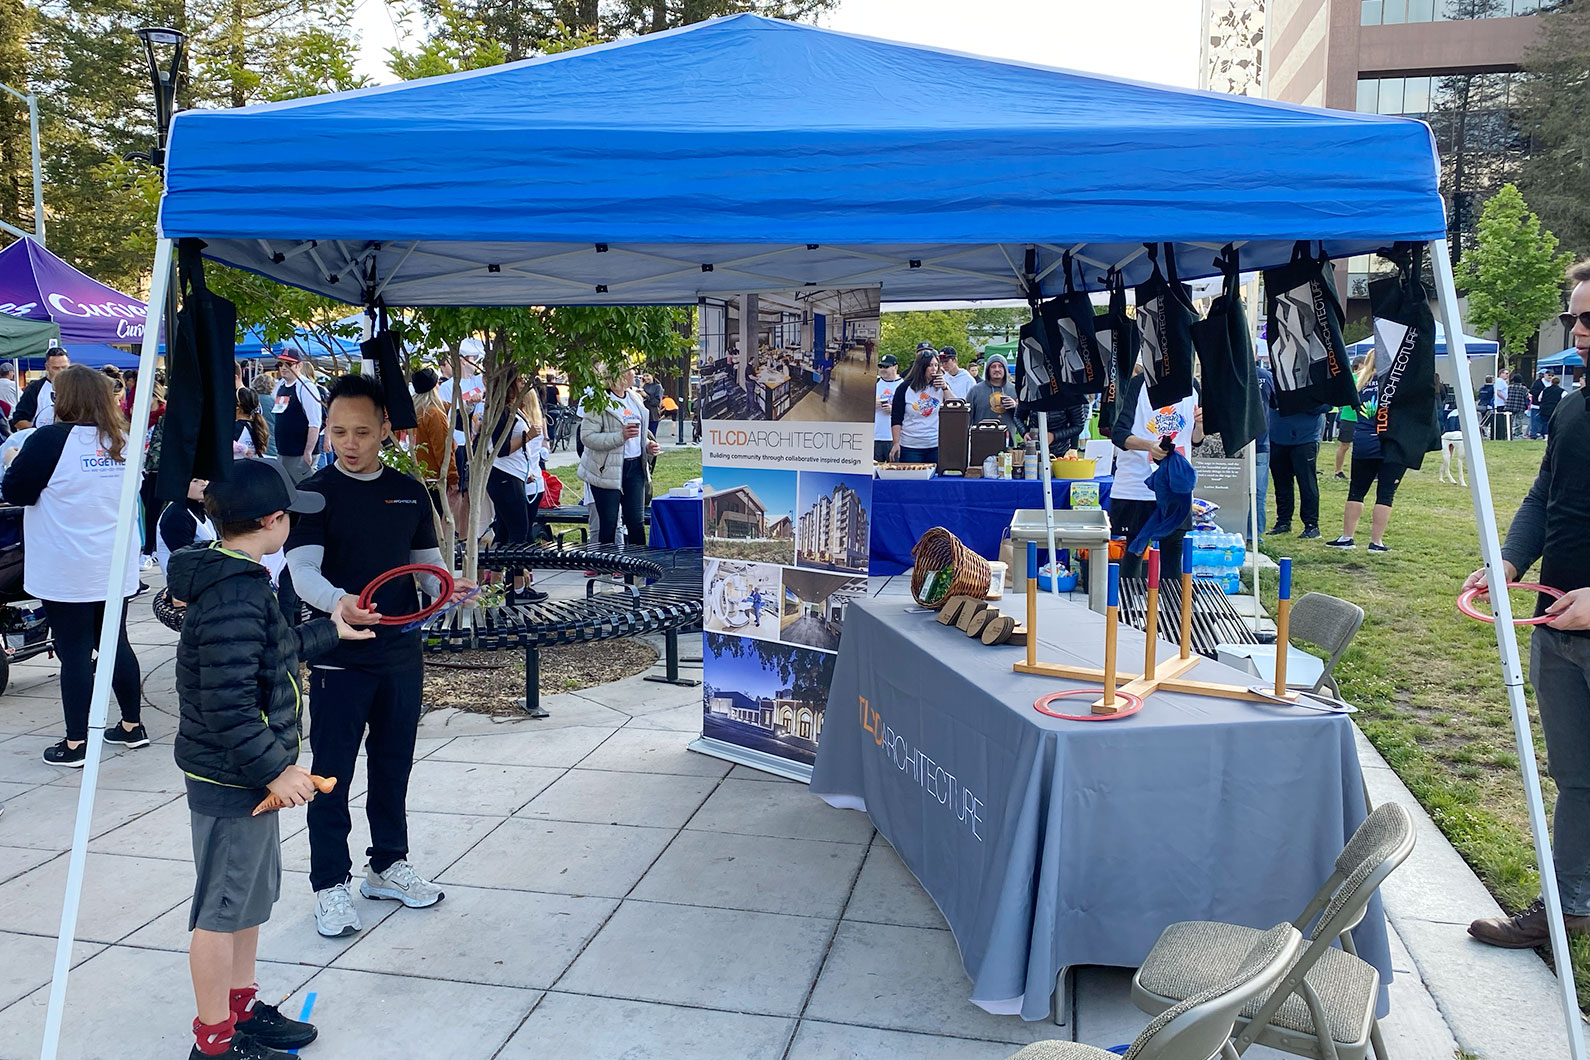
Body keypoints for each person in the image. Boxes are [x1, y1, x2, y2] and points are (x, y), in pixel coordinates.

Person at [169, 459, 371, 1060]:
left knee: (249, 899)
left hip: (245, 773)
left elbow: (272, 651)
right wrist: (274, 770)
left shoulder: (245, 577)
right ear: (272, 521)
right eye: (291, 516)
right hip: (234, 777)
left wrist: (335, 628)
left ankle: (240, 1008)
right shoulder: (235, 591)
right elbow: (227, 702)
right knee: (221, 907)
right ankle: (214, 1043)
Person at [284, 373, 474, 938]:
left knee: (393, 765)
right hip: (339, 657)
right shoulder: (314, 494)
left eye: (362, 431)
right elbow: (302, 574)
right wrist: (340, 604)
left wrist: (446, 590)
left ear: (385, 429)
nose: (349, 442)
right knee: (330, 776)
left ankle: (388, 864)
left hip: (400, 653)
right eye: (338, 430)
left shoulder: (409, 491)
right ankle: (330, 884)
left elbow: (426, 567)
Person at [1467, 258, 1590, 949]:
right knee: (1578, 778)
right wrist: (1510, 560)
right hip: (1557, 626)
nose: (1579, 331)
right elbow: (1544, 496)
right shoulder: (1571, 406)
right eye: (1575, 316)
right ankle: (1569, 903)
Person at [2, 365, 145, 766]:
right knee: (115, 643)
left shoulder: (49, 440)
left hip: (68, 565)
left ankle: (76, 743)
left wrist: (14, 458)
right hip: (113, 563)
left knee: (75, 650)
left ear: (62, 400)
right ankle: (133, 726)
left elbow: (16, 490)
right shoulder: (124, 438)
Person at [1109, 365, 1203, 578]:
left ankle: (1172, 608)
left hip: (1176, 487)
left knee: (1173, 553)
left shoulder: (1192, 386)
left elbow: (1195, 440)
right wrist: (1150, 446)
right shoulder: (1138, 384)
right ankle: (1127, 608)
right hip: (1138, 485)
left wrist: (1200, 426)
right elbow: (1119, 434)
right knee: (1135, 549)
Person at [1326, 351, 1406, 553]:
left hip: (1363, 440)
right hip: (1390, 442)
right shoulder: (1396, 382)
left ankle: (1347, 537)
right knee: (1385, 494)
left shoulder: (1360, 383)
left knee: (1356, 491)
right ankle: (1376, 542)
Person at [578, 363, 660, 547]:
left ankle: (637, 572)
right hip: (606, 469)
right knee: (608, 523)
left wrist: (647, 445)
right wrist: (619, 436)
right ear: (619, 374)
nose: (635, 374)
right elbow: (587, 437)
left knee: (636, 523)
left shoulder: (634, 398)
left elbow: (638, 433)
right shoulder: (598, 401)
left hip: (634, 467)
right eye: (631, 370)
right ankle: (608, 570)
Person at [486, 373, 547, 603]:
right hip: (505, 477)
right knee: (519, 533)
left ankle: (497, 585)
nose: (525, 385)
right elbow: (501, 448)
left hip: (514, 475)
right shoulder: (504, 411)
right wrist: (527, 436)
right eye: (520, 382)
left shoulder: (512, 408)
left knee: (503, 531)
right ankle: (516, 588)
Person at [1267, 384, 1327, 539]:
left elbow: (1327, 405)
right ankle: (1283, 521)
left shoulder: (1314, 378)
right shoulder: (1275, 377)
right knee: (1281, 483)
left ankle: (1311, 525)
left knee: (1306, 482)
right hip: (1277, 436)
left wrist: (1300, 401)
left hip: (1305, 438)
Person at [409, 368, 458, 517]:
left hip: (413, 474)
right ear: (435, 386)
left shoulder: (412, 412)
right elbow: (442, 449)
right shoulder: (433, 414)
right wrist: (452, 477)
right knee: (433, 522)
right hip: (433, 478)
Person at [889, 349, 951, 464]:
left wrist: (945, 387)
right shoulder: (904, 388)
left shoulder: (940, 386)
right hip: (910, 445)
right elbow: (896, 417)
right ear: (921, 367)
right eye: (930, 365)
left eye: (936, 365)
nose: (934, 369)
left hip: (935, 444)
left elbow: (954, 406)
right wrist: (896, 443)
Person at [270, 353, 323, 485]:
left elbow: (315, 423)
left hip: (300, 453)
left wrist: (308, 451)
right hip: (283, 451)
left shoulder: (305, 387)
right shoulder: (280, 386)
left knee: (305, 489)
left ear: (299, 366)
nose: (283, 368)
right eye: (280, 364)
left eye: (288, 364)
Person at [156, 478, 216, 577]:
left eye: (205, 479)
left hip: (205, 572)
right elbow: (185, 556)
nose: (203, 484)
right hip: (186, 580)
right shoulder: (176, 515)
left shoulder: (201, 509)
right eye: (195, 481)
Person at [968, 353, 1021, 445]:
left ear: (1005, 369)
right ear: (988, 370)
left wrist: (1015, 406)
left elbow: (1024, 418)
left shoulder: (1015, 390)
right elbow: (966, 419)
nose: (997, 369)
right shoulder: (975, 391)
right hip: (981, 443)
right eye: (993, 366)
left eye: (1000, 366)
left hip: (1008, 442)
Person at [12, 344, 69, 429]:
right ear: (47, 367)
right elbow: (18, 420)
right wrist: (37, 430)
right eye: (56, 368)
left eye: (64, 367)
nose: (61, 372)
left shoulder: (77, 388)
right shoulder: (35, 388)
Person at [1253, 362, 1274, 545]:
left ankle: (1238, 529)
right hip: (1261, 440)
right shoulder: (1265, 376)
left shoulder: (1230, 374)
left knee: (1237, 490)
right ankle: (1256, 534)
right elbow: (1276, 402)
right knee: (1259, 493)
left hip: (1236, 443)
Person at [872, 355, 902, 463]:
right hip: (875, 436)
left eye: (886, 367)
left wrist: (893, 410)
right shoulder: (874, 384)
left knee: (894, 472)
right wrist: (873, 404)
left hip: (894, 438)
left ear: (895, 367)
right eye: (880, 366)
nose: (883, 369)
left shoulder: (903, 385)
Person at [233, 387, 270, 459]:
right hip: (252, 467)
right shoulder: (256, 425)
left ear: (237, 407)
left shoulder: (235, 427)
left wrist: (243, 448)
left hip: (237, 468)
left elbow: (224, 444)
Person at [1332, 402, 1356, 479]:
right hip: (1349, 417)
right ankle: (1338, 471)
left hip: (1365, 417)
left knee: (1364, 446)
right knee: (1344, 446)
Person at [1540, 373, 1565, 439]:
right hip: (1555, 409)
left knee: (1545, 423)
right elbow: (1565, 399)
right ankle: (1552, 435)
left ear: (1551, 382)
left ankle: (1545, 435)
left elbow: (1539, 398)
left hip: (1545, 409)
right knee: (1554, 423)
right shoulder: (1562, 391)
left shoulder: (1545, 390)